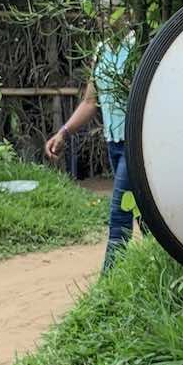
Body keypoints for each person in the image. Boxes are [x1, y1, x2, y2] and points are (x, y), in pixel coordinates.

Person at [47, 28, 137, 272]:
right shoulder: (101, 50)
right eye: (103, 16)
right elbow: (90, 102)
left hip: (137, 143)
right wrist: (63, 133)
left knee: (119, 215)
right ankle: (152, 274)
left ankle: (108, 285)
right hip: (114, 143)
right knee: (144, 215)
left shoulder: (138, 46)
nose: (109, 20)